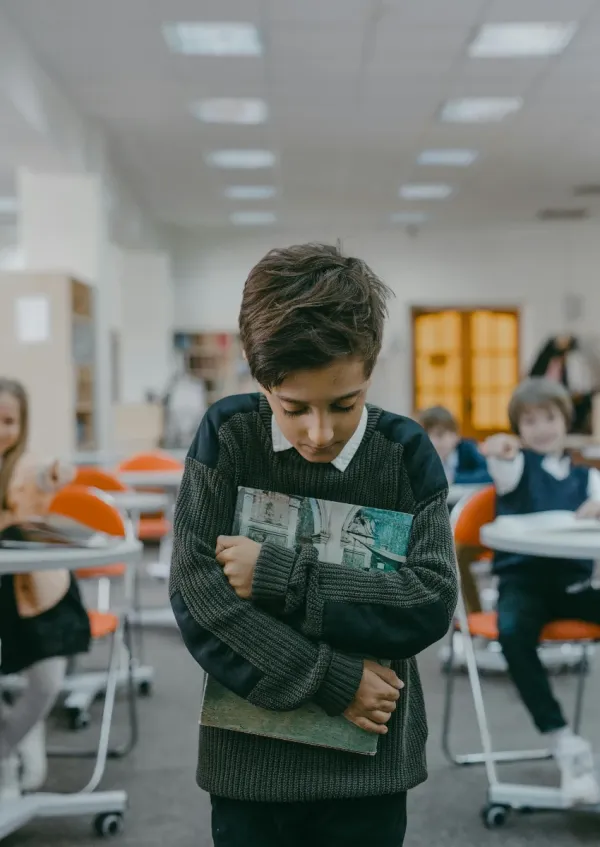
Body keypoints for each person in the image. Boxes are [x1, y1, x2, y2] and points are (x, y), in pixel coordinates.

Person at [170, 243, 458, 847]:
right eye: (293, 407)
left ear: (371, 370)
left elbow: (428, 599)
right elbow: (200, 599)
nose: (319, 433)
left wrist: (280, 576)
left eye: (344, 404)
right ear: (258, 376)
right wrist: (333, 678)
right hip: (251, 768)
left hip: (367, 769)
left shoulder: (404, 454)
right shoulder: (228, 435)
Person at [481, 377, 600, 806]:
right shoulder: (516, 466)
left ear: (565, 420)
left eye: (549, 417)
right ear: (519, 427)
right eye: (530, 421)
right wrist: (500, 448)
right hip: (524, 583)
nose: (542, 428)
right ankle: (564, 741)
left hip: (574, 584)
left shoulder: (588, 478)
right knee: (512, 632)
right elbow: (502, 459)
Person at [0, 378, 91, 801]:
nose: (1, 430)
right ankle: (7, 759)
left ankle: (7, 745)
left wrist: (57, 472)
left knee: (46, 683)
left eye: (9, 421)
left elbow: (46, 474)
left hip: (38, 591)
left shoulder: (26, 465)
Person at [419, 405, 491, 485]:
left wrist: (453, 478)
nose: (433, 442)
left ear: (456, 436)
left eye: (439, 435)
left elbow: (488, 475)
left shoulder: (468, 449)